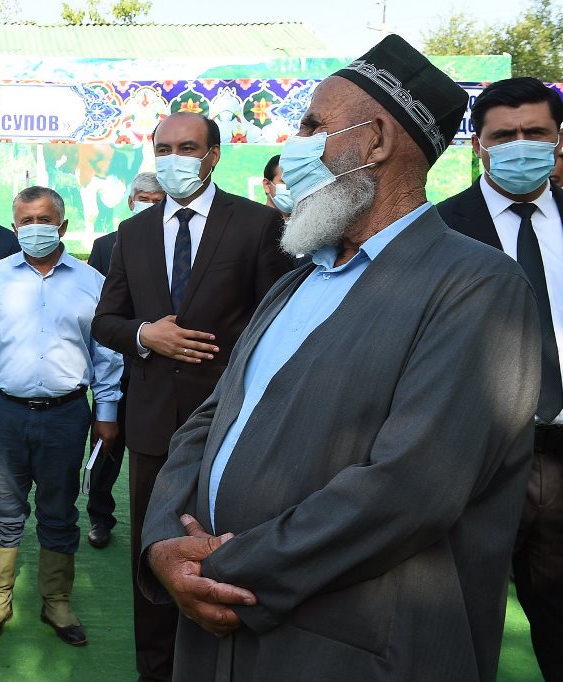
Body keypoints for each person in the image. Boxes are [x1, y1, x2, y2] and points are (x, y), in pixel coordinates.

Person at [139, 35, 539, 681]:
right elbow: (208, 422)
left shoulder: (477, 287)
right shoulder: (296, 281)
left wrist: (219, 569)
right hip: (221, 640)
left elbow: (412, 487)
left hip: (347, 647)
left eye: (311, 126)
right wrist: (162, 540)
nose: (294, 146)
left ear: (375, 141)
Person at [91, 112, 291, 681]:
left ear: (213, 155)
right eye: (163, 148)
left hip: (232, 421)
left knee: (225, 548)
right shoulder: (132, 232)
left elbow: (277, 319)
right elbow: (106, 321)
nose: (173, 159)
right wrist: (143, 335)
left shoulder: (255, 224)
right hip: (153, 423)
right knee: (153, 554)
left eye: (187, 147)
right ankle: (154, 671)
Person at [0, 186, 123, 646]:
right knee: (2, 508)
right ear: (14, 228)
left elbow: (107, 354)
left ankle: (57, 602)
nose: (35, 228)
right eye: (26, 221)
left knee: (59, 510)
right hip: (3, 412)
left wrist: (106, 411)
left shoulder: (91, 282)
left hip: (67, 414)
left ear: (63, 226)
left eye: (44, 219)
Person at [437, 77, 563, 681]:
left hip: (561, 455)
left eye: (534, 133)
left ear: (558, 139)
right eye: (504, 136)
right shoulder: (438, 230)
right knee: (459, 629)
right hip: (473, 463)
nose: (520, 146)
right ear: (478, 145)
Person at [84, 171, 165, 550]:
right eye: (144, 198)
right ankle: (100, 517)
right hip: (115, 368)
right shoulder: (105, 246)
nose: (149, 204)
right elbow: (102, 310)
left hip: (160, 366)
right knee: (106, 444)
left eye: (157, 199)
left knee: (160, 450)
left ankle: (159, 522)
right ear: (131, 202)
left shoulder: (178, 244)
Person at [262, 154, 293, 219]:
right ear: (267, 185)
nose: (291, 187)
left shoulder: (307, 223)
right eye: (285, 182)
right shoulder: (252, 222)